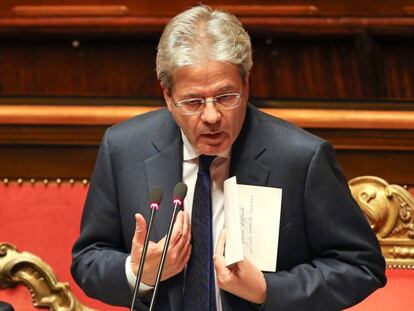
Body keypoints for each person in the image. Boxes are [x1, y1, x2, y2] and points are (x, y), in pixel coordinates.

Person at [71, 5, 386, 311]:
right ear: (168, 96)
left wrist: (266, 290)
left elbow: (361, 266)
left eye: (225, 97)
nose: (211, 116)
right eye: (193, 101)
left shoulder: (300, 158)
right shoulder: (125, 148)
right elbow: (87, 260)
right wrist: (139, 272)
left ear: (246, 86)